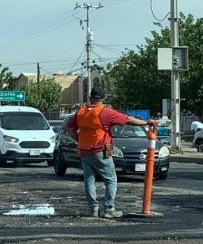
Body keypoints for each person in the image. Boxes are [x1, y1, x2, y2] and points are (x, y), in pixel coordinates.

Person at [66, 87, 154, 218]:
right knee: (111, 179)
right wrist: (146, 122)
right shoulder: (104, 112)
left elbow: (70, 128)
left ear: (90, 97)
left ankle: (93, 210)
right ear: (102, 99)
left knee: (89, 180)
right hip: (99, 150)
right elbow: (128, 120)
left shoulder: (81, 112)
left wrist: (80, 140)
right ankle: (109, 209)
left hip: (84, 151)